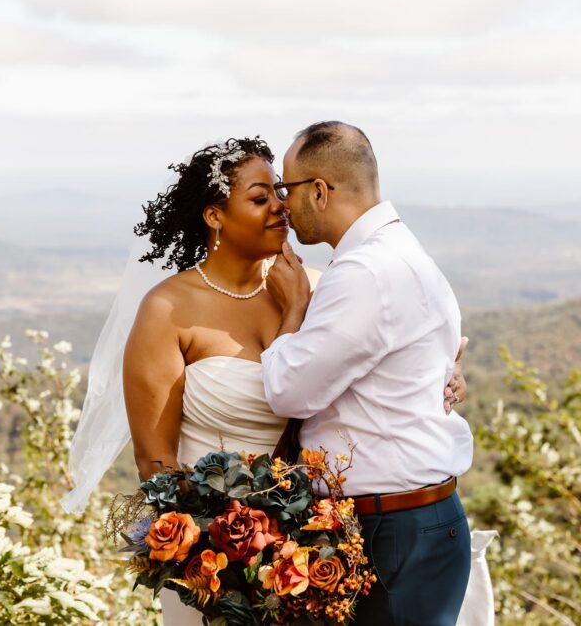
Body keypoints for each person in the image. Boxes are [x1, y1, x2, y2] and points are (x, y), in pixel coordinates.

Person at [61, 135, 468, 625]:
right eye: (260, 199)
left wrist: (445, 372)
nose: (281, 207)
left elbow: (390, 348)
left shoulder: (320, 288)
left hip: (308, 559)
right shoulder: (167, 310)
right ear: (214, 216)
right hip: (210, 564)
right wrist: (211, 555)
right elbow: (155, 461)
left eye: (280, 191)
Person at [262, 121, 474, 626]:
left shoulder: (365, 273)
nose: (281, 205)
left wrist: (293, 314)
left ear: (319, 191)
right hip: (413, 520)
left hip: (394, 529)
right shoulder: (395, 252)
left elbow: (289, 392)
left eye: (285, 189)